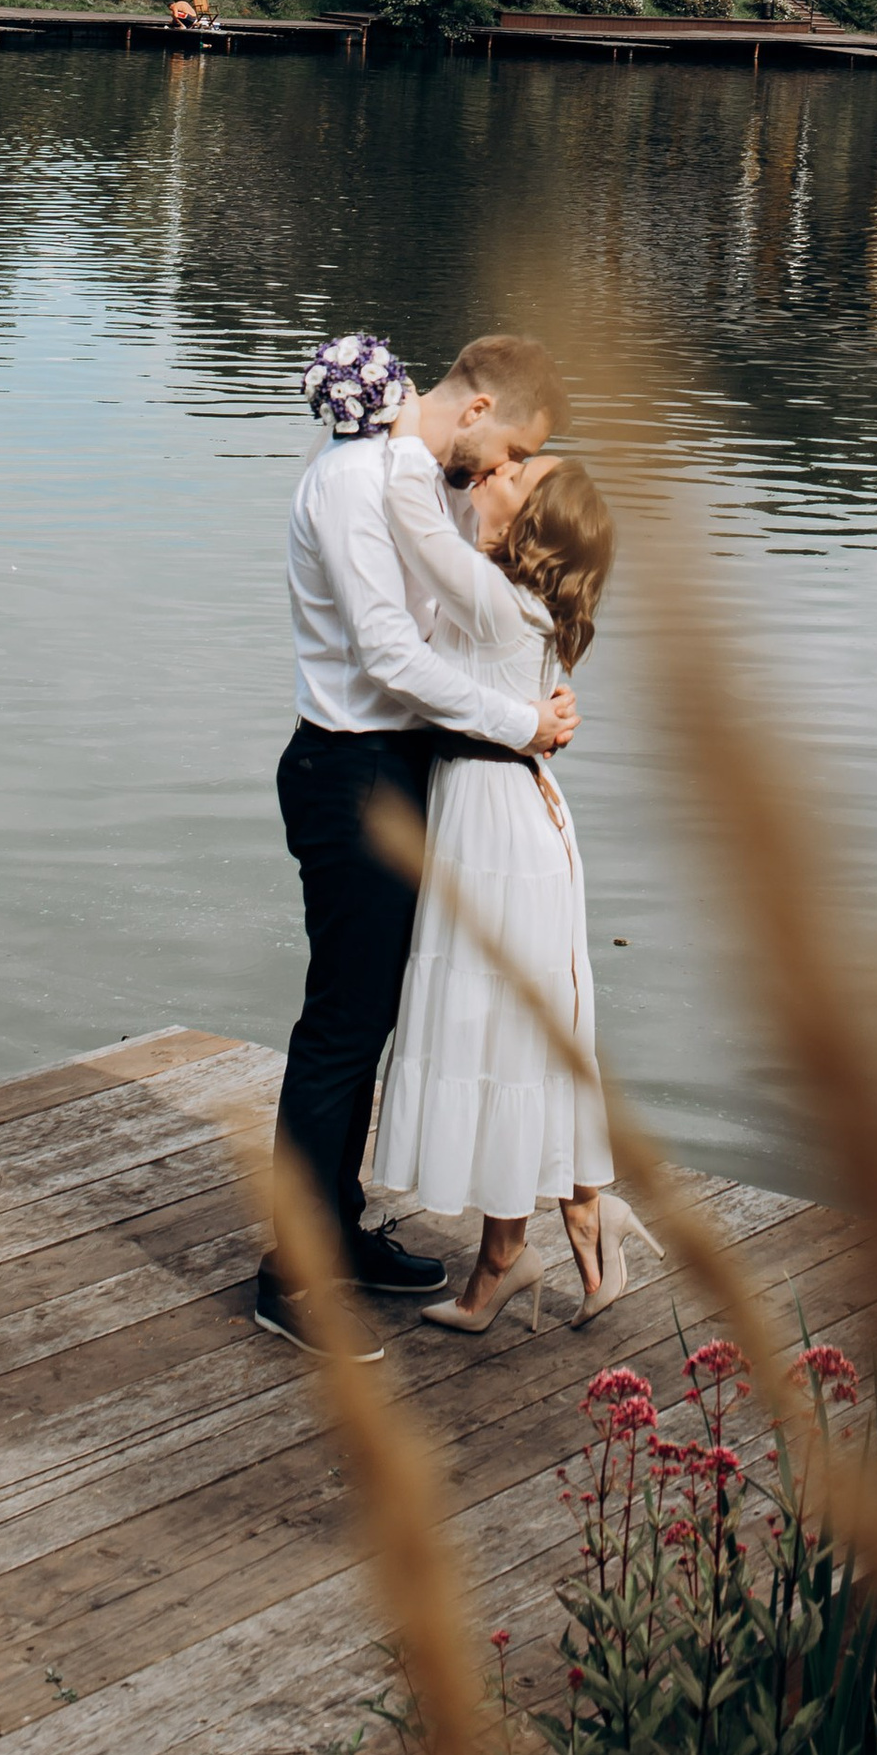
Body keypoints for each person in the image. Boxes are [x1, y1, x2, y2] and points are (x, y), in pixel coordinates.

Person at [258, 329, 578, 1355]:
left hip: (401, 769)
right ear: (476, 410)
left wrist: (525, 693)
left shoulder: (420, 479)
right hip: (347, 771)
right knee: (343, 1023)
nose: (502, 475)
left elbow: (445, 625)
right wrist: (519, 722)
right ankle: (289, 1277)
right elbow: (390, 655)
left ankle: (337, 1234)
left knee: (373, 1015)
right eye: (510, 452)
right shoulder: (358, 480)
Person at [368, 428, 633, 1331]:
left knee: (510, 1038)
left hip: (503, 834)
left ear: (538, 522)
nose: (499, 471)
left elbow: (415, 522)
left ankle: (510, 1259)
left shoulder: (496, 600)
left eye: (518, 474)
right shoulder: (521, 599)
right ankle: (577, 1219)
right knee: (514, 1034)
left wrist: (409, 430)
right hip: (504, 820)